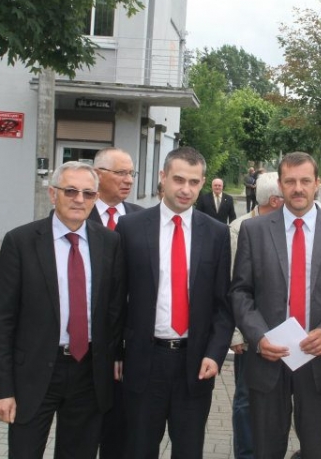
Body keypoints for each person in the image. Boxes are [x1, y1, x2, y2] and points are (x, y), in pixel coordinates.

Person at [231, 152, 321, 459]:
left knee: (319, 451)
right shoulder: (255, 231)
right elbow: (240, 291)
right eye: (290, 181)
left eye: (305, 181)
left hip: (320, 358)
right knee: (265, 450)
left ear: (317, 183)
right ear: (280, 185)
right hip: (269, 359)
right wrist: (258, 337)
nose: (298, 188)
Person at [0, 162, 125, 459]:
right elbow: (2, 321)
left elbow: (114, 310)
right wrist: (1, 388)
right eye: (70, 191)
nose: (79, 199)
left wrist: (116, 355)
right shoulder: (21, 241)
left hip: (89, 372)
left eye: (88, 193)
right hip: (34, 372)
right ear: (53, 194)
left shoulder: (109, 242)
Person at [116, 146, 233, 459]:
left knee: (189, 450)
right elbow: (115, 298)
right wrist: (116, 352)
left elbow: (223, 304)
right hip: (145, 361)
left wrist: (215, 353)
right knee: (139, 449)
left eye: (194, 182)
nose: (186, 189)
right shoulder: (130, 227)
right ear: (163, 177)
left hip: (194, 365)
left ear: (203, 183)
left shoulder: (217, 234)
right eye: (179, 179)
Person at [87, 147, 141, 459]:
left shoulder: (139, 218)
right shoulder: (79, 214)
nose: (128, 180)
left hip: (127, 347)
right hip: (86, 345)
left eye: (131, 173)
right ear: (98, 175)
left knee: (119, 431)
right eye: (121, 173)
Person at [228, 171, 282, 459]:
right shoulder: (240, 229)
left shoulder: (283, 225)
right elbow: (233, 283)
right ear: (274, 200)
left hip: (278, 332)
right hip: (249, 333)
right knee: (245, 398)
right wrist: (237, 333)